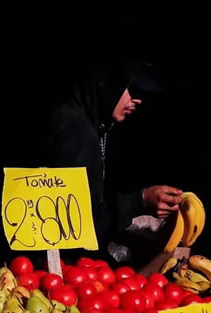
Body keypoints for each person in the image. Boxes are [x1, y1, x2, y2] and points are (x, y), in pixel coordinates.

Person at [46, 61, 181, 250]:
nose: (138, 100)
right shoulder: (72, 126)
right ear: (109, 83)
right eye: (131, 90)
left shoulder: (99, 125)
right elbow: (73, 222)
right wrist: (139, 200)